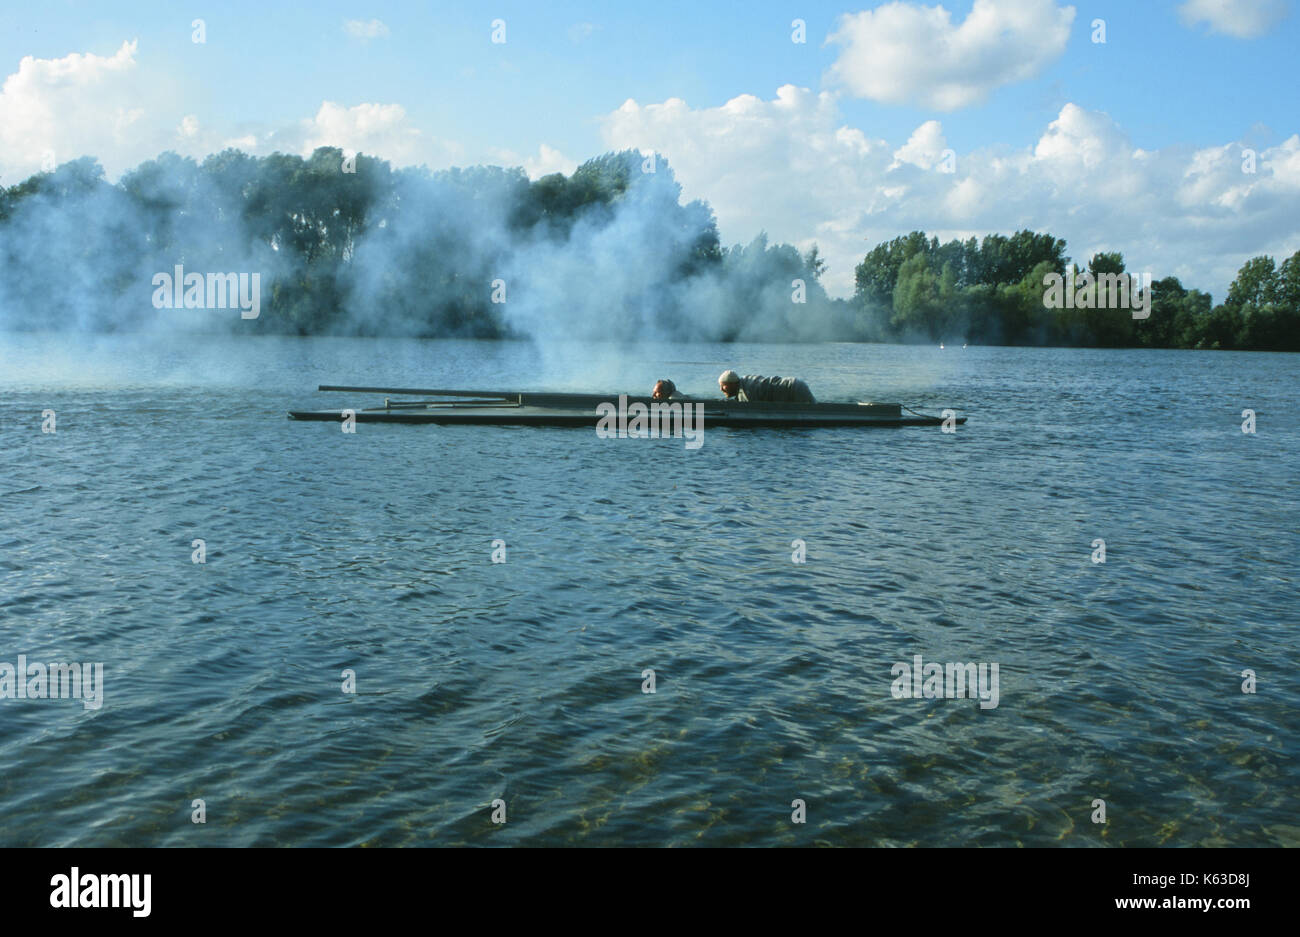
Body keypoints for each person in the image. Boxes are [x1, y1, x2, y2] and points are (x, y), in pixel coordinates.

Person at [718, 370, 815, 403]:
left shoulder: (748, 391)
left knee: (814, 412)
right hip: (796, 385)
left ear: (732, 384)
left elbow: (750, 408)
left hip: (794, 388)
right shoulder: (743, 384)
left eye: (723, 386)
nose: (721, 389)